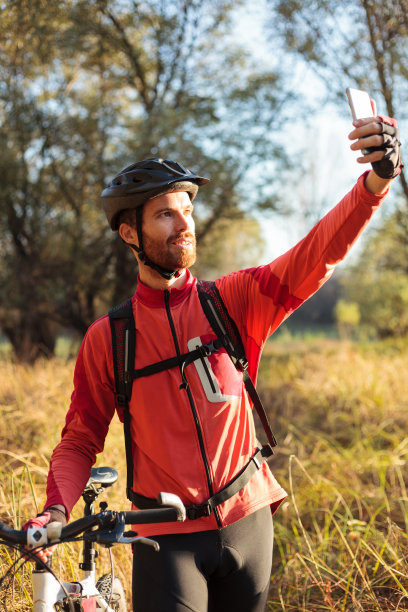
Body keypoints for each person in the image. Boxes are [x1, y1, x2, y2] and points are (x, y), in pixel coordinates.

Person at [25, 112, 402, 611]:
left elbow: (317, 254)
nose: (185, 224)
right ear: (129, 233)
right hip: (166, 540)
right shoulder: (109, 338)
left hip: (249, 520)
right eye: (165, 214)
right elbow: (79, 438)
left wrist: (375, 182)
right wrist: (54, 509)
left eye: (188, 210)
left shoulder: (234, 302)